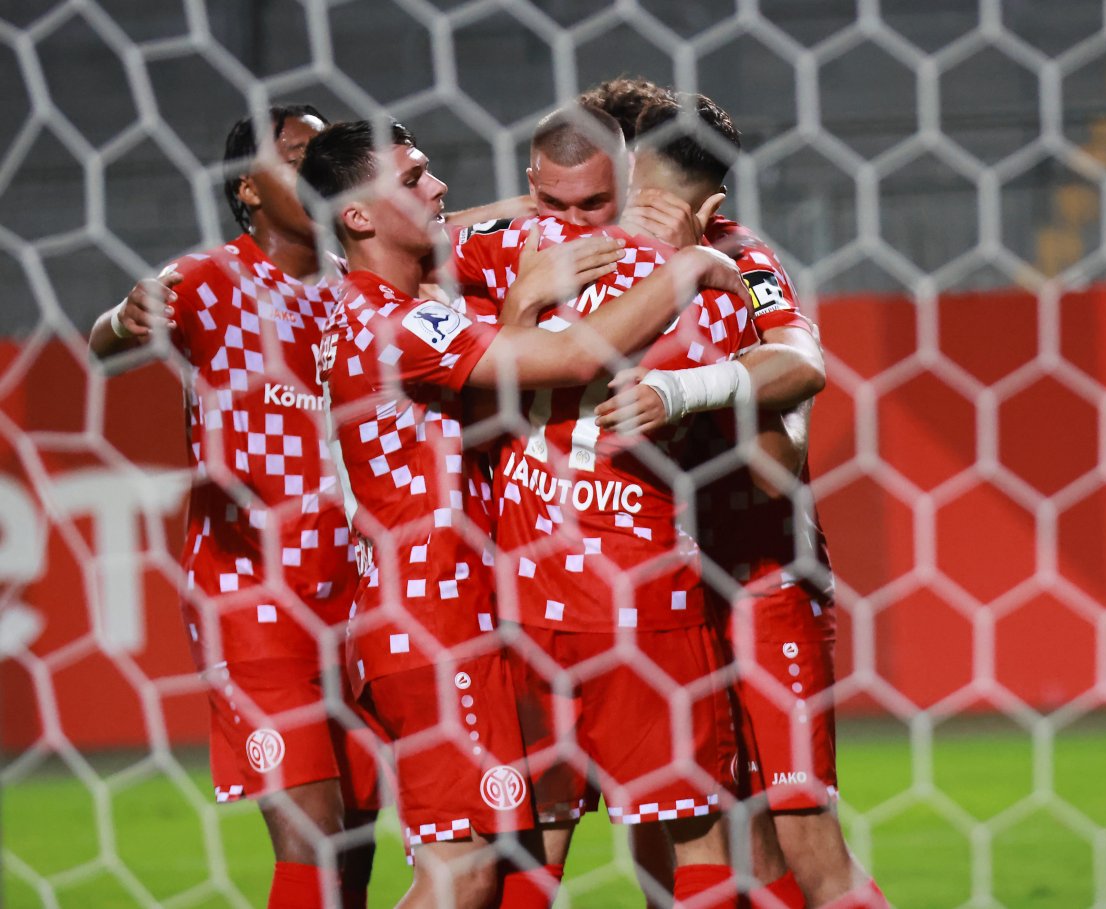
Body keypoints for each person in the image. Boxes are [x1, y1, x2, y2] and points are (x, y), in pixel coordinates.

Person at [297, 117, 748, 909]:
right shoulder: (397, 319)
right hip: (431, 619)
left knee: (505, 859)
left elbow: (471, 425)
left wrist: (521, 288)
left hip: (445, 616)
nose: (438, 189)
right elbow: (574, 358)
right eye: (411, 179)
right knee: (462, 871)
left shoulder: (376, 311)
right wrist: (692, 267)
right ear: (358, 216)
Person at [448, 105, 763, 909]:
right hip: (638, 591)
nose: (572, 226)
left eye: (593, 204)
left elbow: (404, 238)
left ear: (628, 180)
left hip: (533, 591)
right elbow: (771, 417)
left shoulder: (497, 259)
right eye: (555, 207)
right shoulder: (719, 278)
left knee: (543, 839)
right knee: (696, 832)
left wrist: (518, 273)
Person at [595, 93, 889, 909]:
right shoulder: (590, 263)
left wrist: (681, 387)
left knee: (801, 839)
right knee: (683, 827)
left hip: (762, 579)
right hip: (658, 590)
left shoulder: (738, 263)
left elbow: (797, 385)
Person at [89, 106, 381, 909]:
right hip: (251, 589)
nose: (318, 164)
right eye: (297, 155)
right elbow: (105, 342)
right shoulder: (211, 279)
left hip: (357, 591)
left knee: (355, 844)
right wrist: (126, 317)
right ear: (249, 190)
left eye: (326, 151)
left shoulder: (362, 282)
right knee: (314, 836)